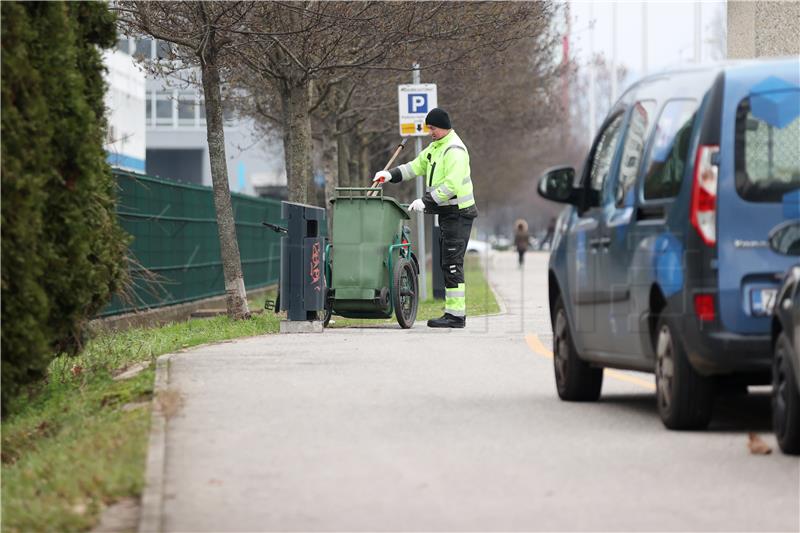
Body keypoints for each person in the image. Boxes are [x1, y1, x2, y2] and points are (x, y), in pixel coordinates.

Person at [373, 107, 478, 328]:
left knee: (451, 264)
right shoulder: (435, 148)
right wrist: (389, 175)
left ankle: (456, 316)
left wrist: (426, 201)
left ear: (444, 127)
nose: (430, 131)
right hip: (448, 213)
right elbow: (414, 167)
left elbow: (452, 185)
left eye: (433, 128)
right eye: (429, 128)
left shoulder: (454, 150)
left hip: (459, 213)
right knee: (447, 262)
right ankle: (452, 314)